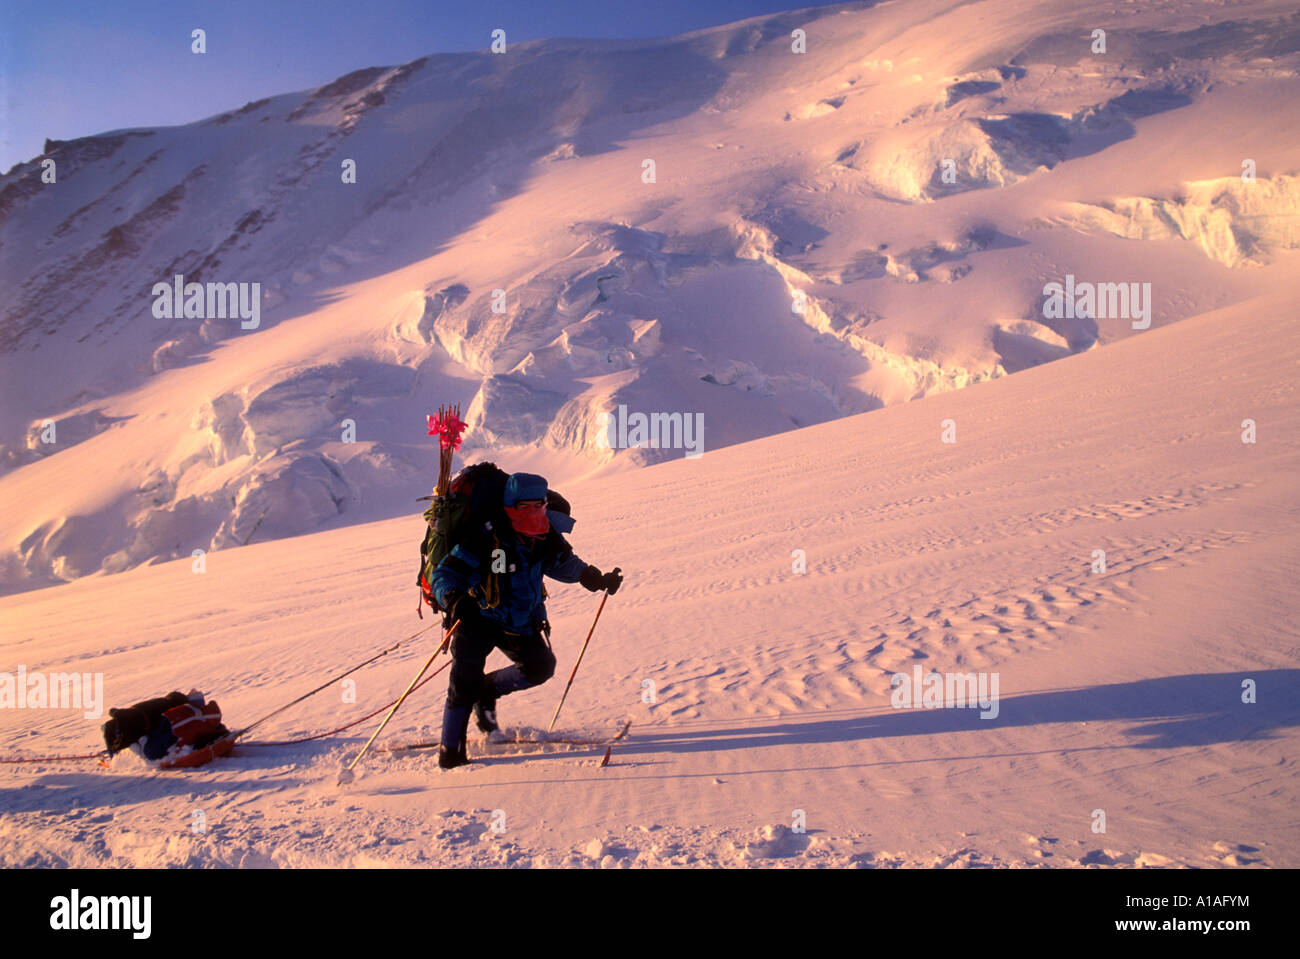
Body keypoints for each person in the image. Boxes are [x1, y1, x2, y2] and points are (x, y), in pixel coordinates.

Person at [429, 471, 622, 768]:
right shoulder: (485, 536)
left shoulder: (543, 534)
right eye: (525, 507)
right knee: (462, 685)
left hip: (519, 619)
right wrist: (454, 599)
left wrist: (594, 578)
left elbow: (563, 562)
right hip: (476, 618)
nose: (534, 512)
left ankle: (487, 691)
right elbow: (445, 574)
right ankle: (450, 753)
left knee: (540, 667)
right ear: (510, 506)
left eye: (539, 505)